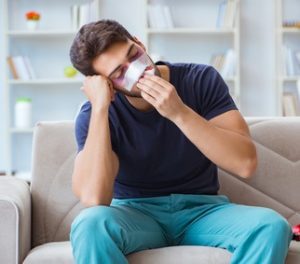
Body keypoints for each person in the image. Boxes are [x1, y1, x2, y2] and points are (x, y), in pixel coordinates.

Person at [69, 20, 292, 264]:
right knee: (88, 225)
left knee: (271, 225)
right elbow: (94, 199)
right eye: (119, 73)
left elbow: (245, 163)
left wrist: (179, 112)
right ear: (105, 84)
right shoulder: (94, 115)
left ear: (139, 42)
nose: (136, 70)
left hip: (203, 211)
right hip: (135, 214)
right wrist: (101, 108)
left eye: (133, 55)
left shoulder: (200, 79)